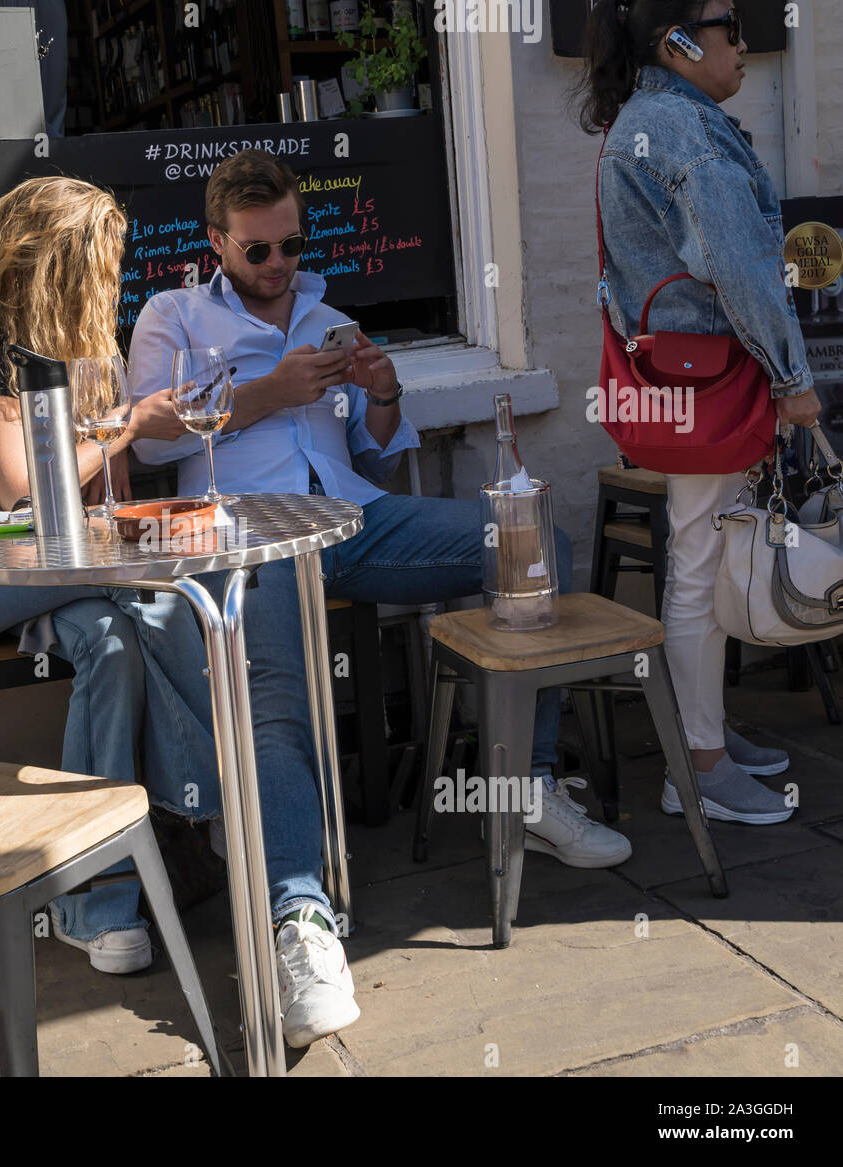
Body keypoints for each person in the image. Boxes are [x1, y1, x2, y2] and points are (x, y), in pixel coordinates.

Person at [128, 149, 632, 875]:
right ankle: (295, 889)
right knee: (279, 694)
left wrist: (386, 392)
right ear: (216, 243)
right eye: (258, 249)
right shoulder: (172, 315)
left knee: (532, 542)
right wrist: (273, 389)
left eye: (291, 244)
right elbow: (148, 443)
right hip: (251, 535)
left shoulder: (328, 318)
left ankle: (529, 785)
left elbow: (377, 457)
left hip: (352, 517)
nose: (278, 263)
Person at [0, 176, 218, 974]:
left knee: (115, 641)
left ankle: (93, 903)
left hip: (50, 559)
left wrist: (119, 443)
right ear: (55, 261)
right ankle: (218, 798)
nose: (113, 279)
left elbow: (100, 507)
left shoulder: (82, 352)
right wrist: (129, 424)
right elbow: (17, 491)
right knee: (153, 583)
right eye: (102, 261)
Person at [580, 0, 820, 823]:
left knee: (708, 558)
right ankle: (698, 765)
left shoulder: (653, 121)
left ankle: (706, 733)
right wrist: (793, 376)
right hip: (713, 384)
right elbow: (744, 268)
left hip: (691, 379)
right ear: (680, 42)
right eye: (730, 25)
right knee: (697, 564)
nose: (745, 43)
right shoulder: (680, 131)